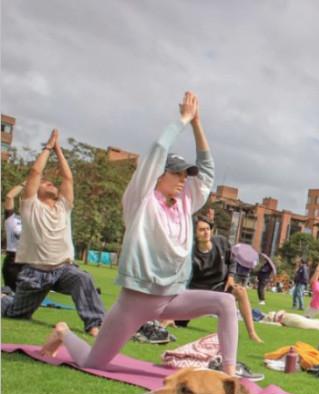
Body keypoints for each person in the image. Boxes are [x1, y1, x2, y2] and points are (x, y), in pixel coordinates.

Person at [38, 92, 243, 376]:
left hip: (171, 299)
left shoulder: (185, 205)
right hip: (135, 302)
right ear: (160, 174)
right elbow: (158, 149)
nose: (184, 181)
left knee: (226, 301)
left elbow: (206, 170)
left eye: (186, 176)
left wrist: (198, 124)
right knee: (92, 364)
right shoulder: (140, 201)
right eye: (178, 174)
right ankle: (63, 333)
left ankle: (229, 374)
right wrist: (182, 119)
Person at [2, 129, 106, 335]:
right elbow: (34, 173)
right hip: (34, 273)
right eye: (46, 183)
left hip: (62, 269)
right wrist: (48, 147)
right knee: (16, 312)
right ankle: (3, 297)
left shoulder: (63, 207)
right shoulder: (30, 207)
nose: (51, 183)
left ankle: (95, 325)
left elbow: (68, 178)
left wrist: (59, 150)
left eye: (52, 183)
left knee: (82, 278)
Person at [167, 217, 262, 343]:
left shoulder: (221, 242)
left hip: (220, 287)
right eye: (201, 230)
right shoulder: (190, 252)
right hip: (197, 293)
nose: (206, 232)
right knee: (178, 323)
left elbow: (232, 261)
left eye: (208, 229)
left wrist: (231, 276)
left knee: (240, 291)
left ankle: (252, 333)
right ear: (194, 233)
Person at [3, 183, 25, 288]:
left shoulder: (37, 220)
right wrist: (26, 183)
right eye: (22, 201)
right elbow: (9, 196)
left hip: (31, 262)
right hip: (13, 262)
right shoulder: (12, 219)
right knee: (12, 296)